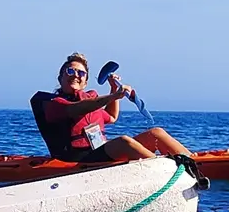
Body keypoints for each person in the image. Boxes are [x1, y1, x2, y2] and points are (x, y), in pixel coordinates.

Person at [29, 52, 191, 163]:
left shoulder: (89, 98)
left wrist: (113, 89)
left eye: (81, 73)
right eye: (70, 71)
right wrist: (114, 96)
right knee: (123, 142)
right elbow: (75, 109)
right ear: (61, 76)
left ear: (85, 82)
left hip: (99, 152)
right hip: (75, 159)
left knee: (156, 133)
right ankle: (167, 171)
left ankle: (194, 163)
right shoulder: (51, 103)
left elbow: (111, 117)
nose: (75, 75)